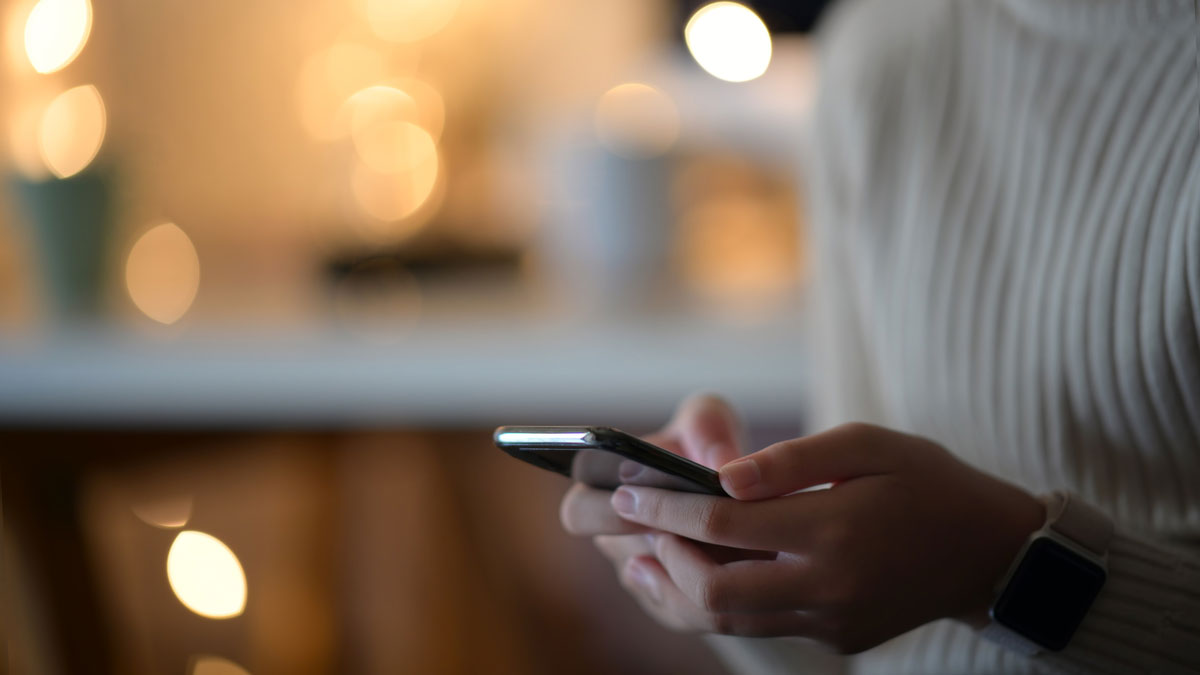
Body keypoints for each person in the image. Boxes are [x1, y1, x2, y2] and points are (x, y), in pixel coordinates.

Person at [559, 0, 1200, 672]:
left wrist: (1003, 569)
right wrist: (752, 585)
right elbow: (877, 646)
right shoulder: (879, 49)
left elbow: (963, 578)